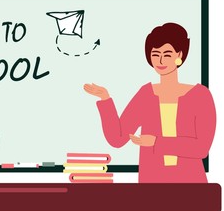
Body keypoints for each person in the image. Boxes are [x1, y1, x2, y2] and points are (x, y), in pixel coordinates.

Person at [84, 22, 216, 183]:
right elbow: (117, 139)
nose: (160, 60)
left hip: (190, 183)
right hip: (152, 183)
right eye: (155, 54)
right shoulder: (146, 94)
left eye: (167, 54)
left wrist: (156, 142)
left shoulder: (200, 96)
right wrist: (105, 99)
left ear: (179, 55)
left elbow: (201, 148)